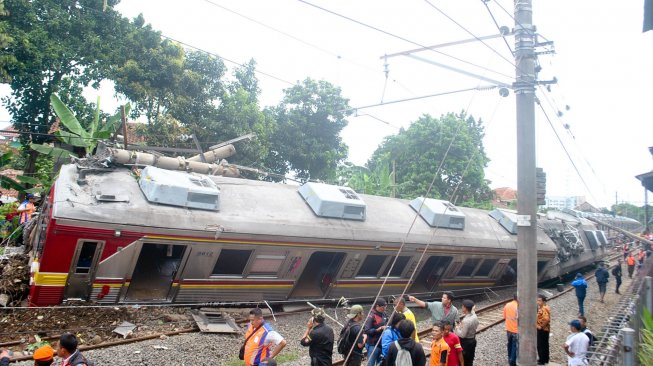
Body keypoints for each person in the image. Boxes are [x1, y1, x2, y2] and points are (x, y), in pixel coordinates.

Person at [364, 298, 389, 366]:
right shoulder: (371, 316)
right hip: (373, 345)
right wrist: (378, 329)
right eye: (383, 307)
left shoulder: (384, 314)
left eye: (385, 306)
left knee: (380, 363)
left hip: (382, 343)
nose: (385, 308)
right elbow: (367, 330)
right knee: (371, 364)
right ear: (377, 306)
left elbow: (388, 323)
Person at [455, 299, 479, 366]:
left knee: (464, 360)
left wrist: (457, 328)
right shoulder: (474, 316)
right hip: (472, 340)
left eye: (462, 306)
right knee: (470, 359)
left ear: (465, 308)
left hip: (466, 343)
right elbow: (473, 310)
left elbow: (462, 335)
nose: (462, 307)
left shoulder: (466, 321)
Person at [503, 293, 519, 366]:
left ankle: (509, 359)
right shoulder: (519, 307)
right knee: (515, 346)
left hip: (508, 329)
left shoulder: (507, 305)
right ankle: (512, 362)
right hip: (516, 330)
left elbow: (505, 317)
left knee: (509, 344)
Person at [536, 294, 551, 366]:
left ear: (543, 301)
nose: (537, 302)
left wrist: (541, 326)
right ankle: (545, 359)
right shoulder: (545, 307)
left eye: (539, 300)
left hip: (542, 330)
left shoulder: (543, 308)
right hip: (546, 329)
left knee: (540, 345)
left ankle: (541, 360)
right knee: (545, 345)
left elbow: (547, 319)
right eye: (537, 300)